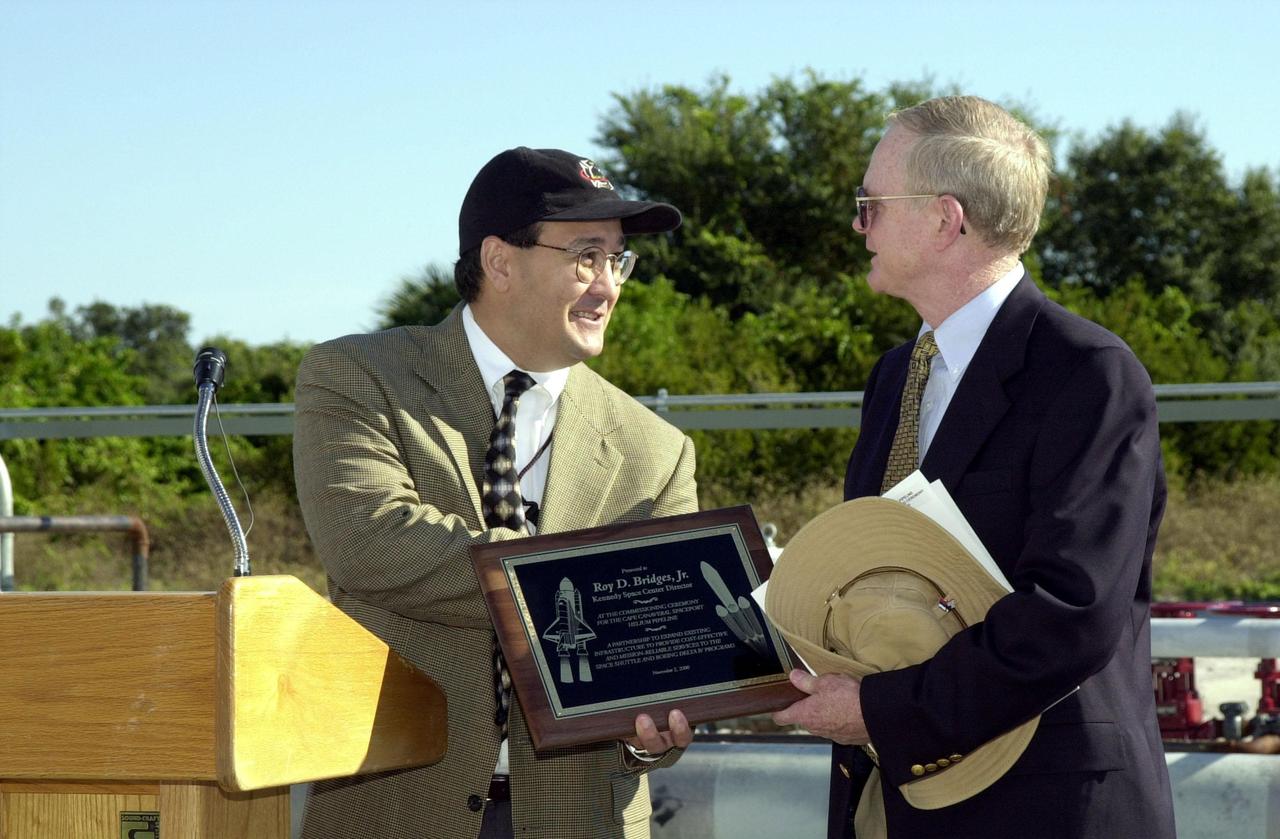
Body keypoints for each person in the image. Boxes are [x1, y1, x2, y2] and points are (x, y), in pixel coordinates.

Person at [772, 96, 1176, 838]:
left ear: (944, 219)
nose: (859, 225)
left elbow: (1069, 613)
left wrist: (876, 711)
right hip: (899, 800)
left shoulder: (1088, 375)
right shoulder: (896, 375)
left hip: (1042, 806)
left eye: (871, 204)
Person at [293, 146, 697, 839]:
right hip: (395, 811)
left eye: (618, 259)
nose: (608, 285)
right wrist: (590, 582)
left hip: (581, 818)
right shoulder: (359, 377)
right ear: (500, 261)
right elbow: (371, 541)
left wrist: (651, 735)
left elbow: (666, 652)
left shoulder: (656, 450)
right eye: (586, 255)